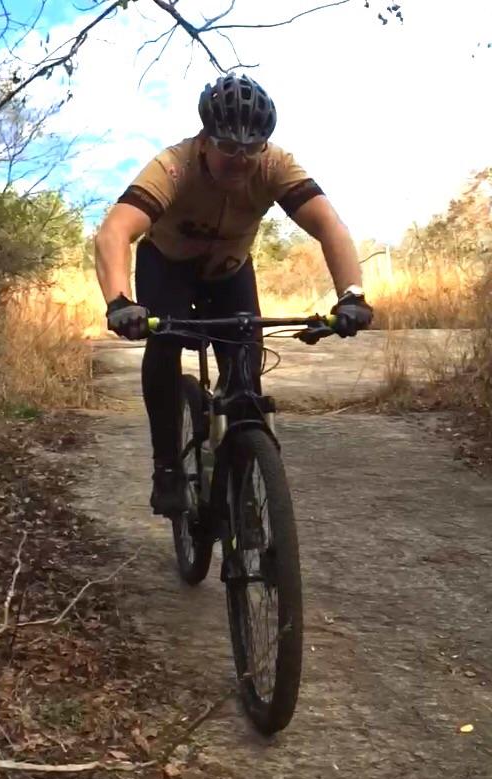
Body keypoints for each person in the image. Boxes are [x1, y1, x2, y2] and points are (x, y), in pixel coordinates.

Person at [94, 73, 373, 517]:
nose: (240, 159)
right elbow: (115, 230)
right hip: (167, 267)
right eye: (229, 146)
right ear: (205, 139)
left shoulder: (275, 164)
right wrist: (120, 302)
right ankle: (166, 466)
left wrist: (352, 295)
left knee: (246, 377)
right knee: (162, 345)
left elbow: (329, 227)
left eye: (252, 147)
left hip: (229, 273)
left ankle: (243, 477)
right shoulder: (174, 165)